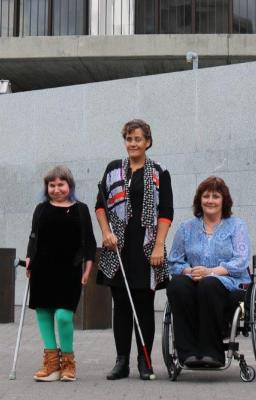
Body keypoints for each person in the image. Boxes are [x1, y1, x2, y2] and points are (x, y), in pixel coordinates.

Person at [95, 119, 173, 380]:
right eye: (129, 139)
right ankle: (121, 361)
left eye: (138, 139)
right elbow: (100, 205)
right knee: (121, 306)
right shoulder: (113, 169)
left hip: (147, 248)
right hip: (117, 248)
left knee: (143, 304)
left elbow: (166, 212)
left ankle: (145, 360)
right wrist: (106, 232)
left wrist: (159, 245)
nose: (133, 143)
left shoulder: (159, 172)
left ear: (148, 141)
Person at [167, 176, 251, 368]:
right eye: (206, 196)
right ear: (199, 200)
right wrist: (190, 271)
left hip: (229, 283)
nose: (210, 200)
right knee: (177, 285)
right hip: (195, 278)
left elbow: (240, 262)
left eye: (215, 196)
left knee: (209, 284)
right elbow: (174, 262)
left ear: (224, 201)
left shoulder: (237, 226)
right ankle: (187, 354)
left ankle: (211, 353)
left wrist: (210, 272)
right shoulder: (186, 228)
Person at [26, 165, 96, 382]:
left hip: (70, 269)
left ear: (70, 186)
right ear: (47, 187)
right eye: (52, 185)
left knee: (64, 316)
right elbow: (33, 237)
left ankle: (68, 362)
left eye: (61, 184)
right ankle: (51, 364)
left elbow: (89, 242)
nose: (56, 189)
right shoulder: (41, 208)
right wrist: (29, 259)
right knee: (43, 311)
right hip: (42, 269)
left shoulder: (81, 209)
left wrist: (88, 268)